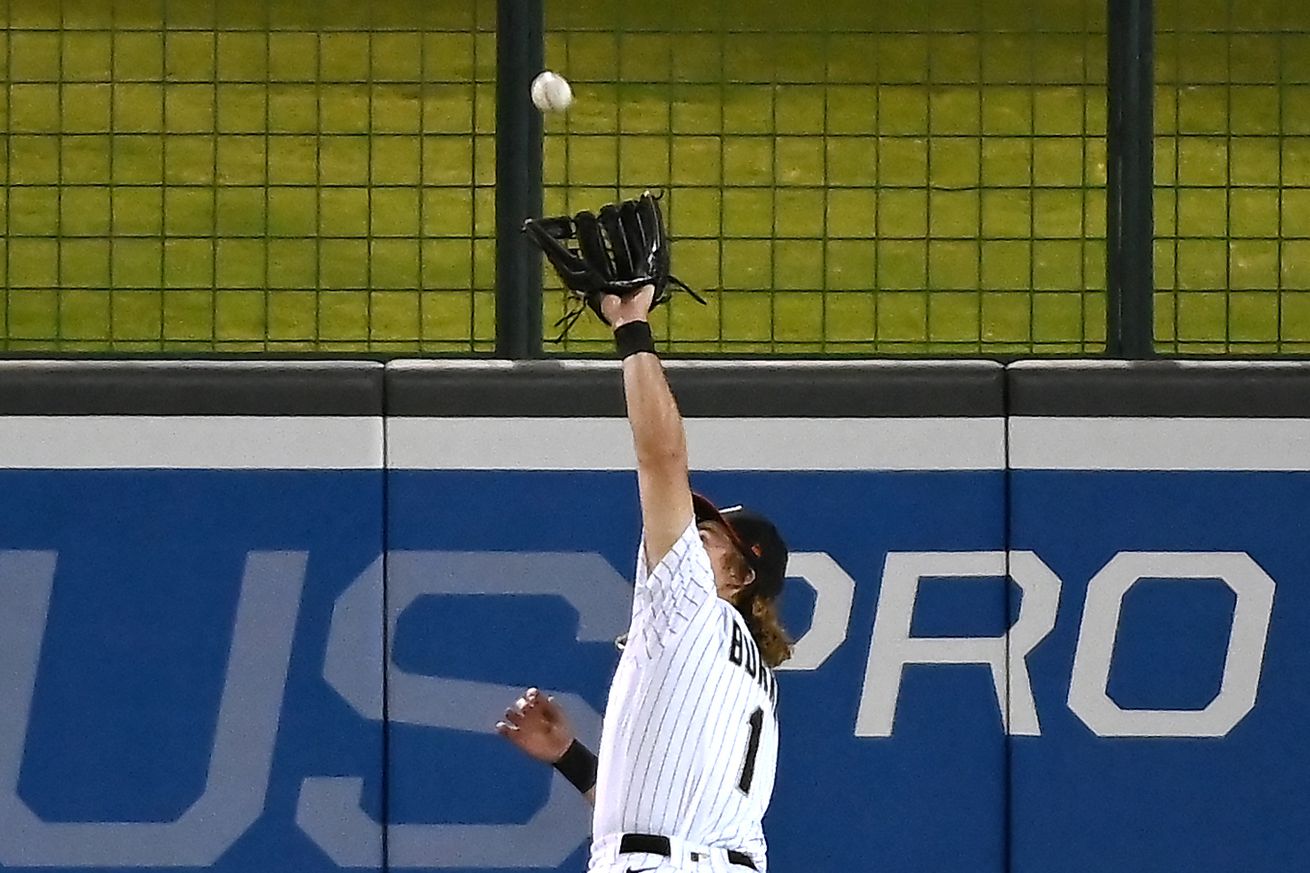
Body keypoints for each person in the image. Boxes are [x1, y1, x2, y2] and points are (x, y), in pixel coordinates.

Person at [495, 284, 791, 873]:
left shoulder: (693, 610)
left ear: (738, 574)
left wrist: (631, 325)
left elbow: (663, 459)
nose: (686, 536)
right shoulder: (748, 676)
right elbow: (651, 814)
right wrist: (570, 757)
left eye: (706, 539)